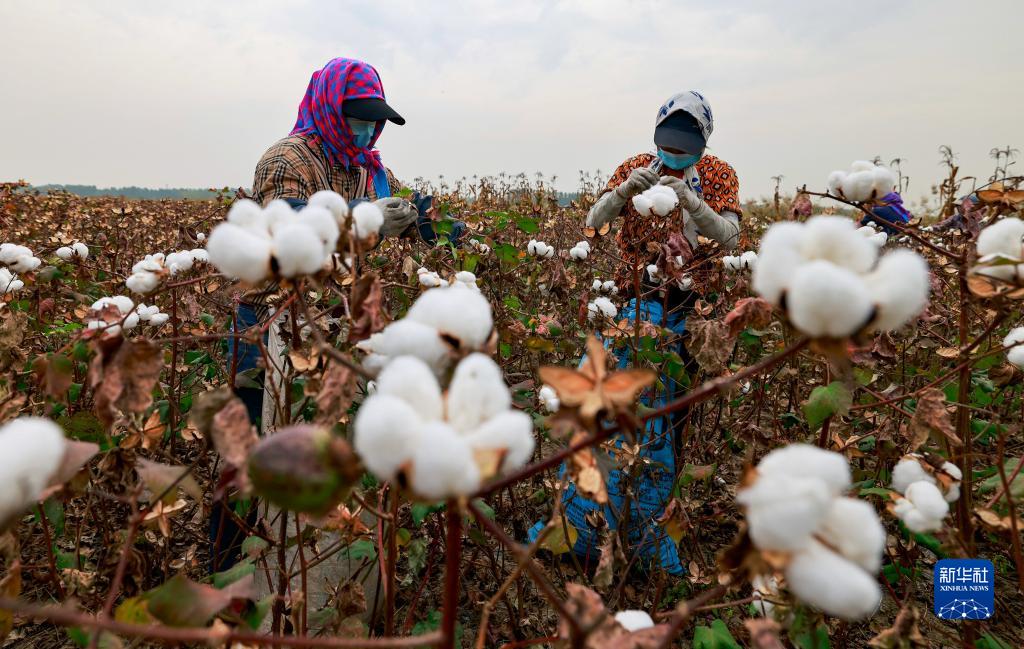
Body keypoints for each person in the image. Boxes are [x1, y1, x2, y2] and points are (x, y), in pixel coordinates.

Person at [212, 57, 461, 572]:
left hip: (329, 324)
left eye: (375, 121)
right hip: (267, 321)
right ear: (329, 106)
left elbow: (404, 212)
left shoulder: (367, 165)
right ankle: (224, 565)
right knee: (246, 446)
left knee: (306, 441)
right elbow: (296, 239)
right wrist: (365, 224)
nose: (369, 130)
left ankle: (290, 560)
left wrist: (442, 227)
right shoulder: (287, 160)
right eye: (359, 117)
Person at [529, 91, 742, 576]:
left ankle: (645, 536)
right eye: (668, 144)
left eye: (685, 148)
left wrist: (692, 201)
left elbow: (730, 238)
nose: (674, 155)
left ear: (703, 144)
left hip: (690, 310)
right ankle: (582, 527)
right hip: (633, 305)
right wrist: (625, 191)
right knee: (600, 407)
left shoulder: (718, 176)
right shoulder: (635, 166)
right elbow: (593, 222)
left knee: (666, 419)